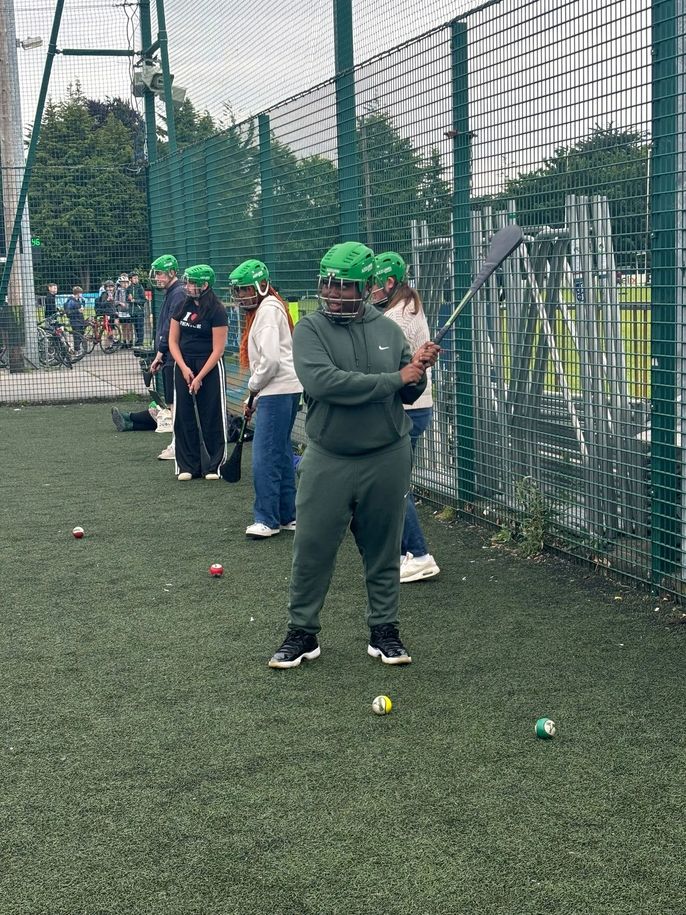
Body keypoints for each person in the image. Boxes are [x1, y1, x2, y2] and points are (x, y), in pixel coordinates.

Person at [268, 241, 440, 670]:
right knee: (311, 546)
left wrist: (418, 371)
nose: (334, 293)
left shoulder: (388, 330)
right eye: (329, 284)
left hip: (387, 454)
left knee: (383, 548)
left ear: (365, 288)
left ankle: (384, 632)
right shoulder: (309, 329)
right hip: (330, 456)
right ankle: (302, 633)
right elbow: (327, 384)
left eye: (345, 287)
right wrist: (396, 376)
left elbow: (407, 391)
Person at [371, 251, 440, 583]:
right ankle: (400, 552)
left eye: (373, 283)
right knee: (389, 481)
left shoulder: (396, 317)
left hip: (408, 408)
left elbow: (392, 369)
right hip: (415, 406)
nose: (369, 290)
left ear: (389, 282)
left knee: (392, 483)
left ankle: (419, 554)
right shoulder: (405, 306)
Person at [230, 259, 303, 538]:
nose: (240, 296)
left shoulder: (268, 311)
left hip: (279, 388)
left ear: (262, 285)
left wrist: (253, 387)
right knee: (281, 452)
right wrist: (256, 394)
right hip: (283, 389)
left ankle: (267, 519)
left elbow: (270, 361)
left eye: (246, 289)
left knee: (264, 455)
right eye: (238, 291)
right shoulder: (267, 308)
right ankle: (287, 515)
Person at [168, 264, 228, 480]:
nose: (188, 286)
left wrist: (200, 376)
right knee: (183, 415)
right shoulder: (182, 306)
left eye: (192, 282)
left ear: (204, 285)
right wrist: (184, 368)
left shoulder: (216, 309)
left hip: (209, 366)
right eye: (187, 281)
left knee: (211, 413)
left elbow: (218, 348)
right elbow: (173, 341)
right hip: (184, 364)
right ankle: (187, 466)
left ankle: (214, 465)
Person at [148, 254, 187, 460]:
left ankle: (178, 445)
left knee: (176, 403)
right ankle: (177, 444)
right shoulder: (173, 293)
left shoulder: (178, 293)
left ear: (172, 273)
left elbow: (169, 329)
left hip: (174, 356)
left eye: (161, 273)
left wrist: (160, 353)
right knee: (173, 402)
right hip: (170, 355)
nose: (157, 278)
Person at [63, 285, 86, 353]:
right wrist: (77, 311)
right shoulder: (71, 301)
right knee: (76, 335)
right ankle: (77, 349)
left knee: (81, 333)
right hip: (74, 320)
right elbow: (69, 312)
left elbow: (82, 306)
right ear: (78, 293)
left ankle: (78, 347)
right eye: (81, 293)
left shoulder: (79, 300)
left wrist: (83, 302)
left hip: (80, 319)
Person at [114, 274, 134, 348]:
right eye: (123, 282)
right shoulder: (118, 291)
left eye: (126, 282)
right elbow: (115, 301)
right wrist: (120, 303)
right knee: (123, 327)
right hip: (121, 311)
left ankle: (131, 341)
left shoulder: (131, 290)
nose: (125, 284)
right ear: (120, 283)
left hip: (129, 311)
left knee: (129, 327)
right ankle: (125, 341)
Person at [128, 272, 147, 346]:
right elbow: (128, 299)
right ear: (130, 279)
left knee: (140, 328)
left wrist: (135, 301)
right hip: (133, 312)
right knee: (136, 328)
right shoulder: (129, 288)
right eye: (134, 278)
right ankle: (137, 341)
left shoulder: (140, 287)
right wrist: (128, 298)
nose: (136, 280)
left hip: (139, 312)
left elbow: (144, 300)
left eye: (137, 278)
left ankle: (140, 343)